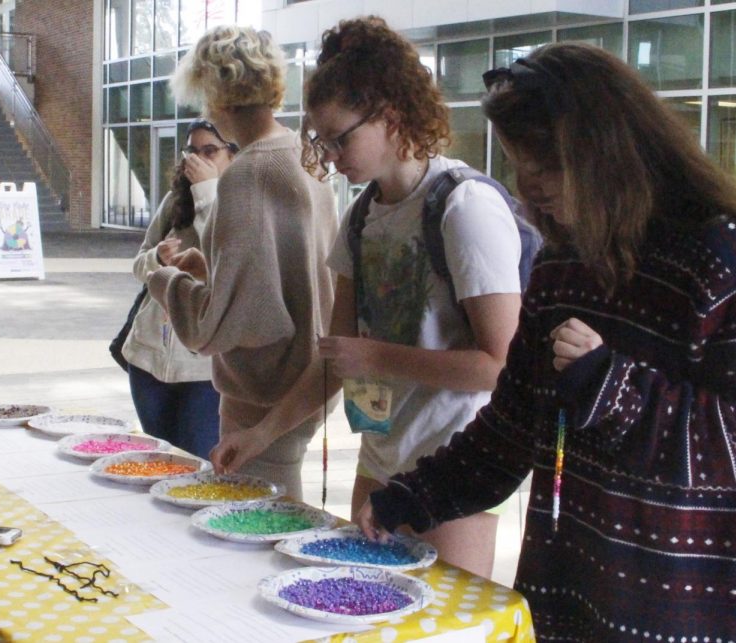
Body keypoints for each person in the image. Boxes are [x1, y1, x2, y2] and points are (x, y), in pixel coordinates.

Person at [357, 42, 736, 642]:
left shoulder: (724, 260)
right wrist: (414, 497)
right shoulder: (562, 265)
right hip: (580, 584)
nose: (531, 185)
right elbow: (514, 424)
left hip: (700, 601)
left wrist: (614, 390)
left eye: (549, 165)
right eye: (521, 164)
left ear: (612, 154)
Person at [210, 16, 523, 579]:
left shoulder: (463, 207)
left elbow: (499, 367)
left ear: (391, 115)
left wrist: (377, 358)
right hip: (380, 460)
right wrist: (259, 434)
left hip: (455, 467)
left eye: (340, 137)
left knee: (440, 626)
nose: (329, 156)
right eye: (319, 140)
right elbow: (335, 362)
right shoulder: (360, 217)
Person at [147, 25, 338, 500]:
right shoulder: (300, 154)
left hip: (264, 391)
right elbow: (286, 273)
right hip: (310, 379)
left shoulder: (247, 173)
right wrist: (209, 265)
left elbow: (221, 324)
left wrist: (165, 282)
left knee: (256, 528)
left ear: (213, 92)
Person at [122, 119, 237, 459]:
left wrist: (207, 192)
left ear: (233, 155)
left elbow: (225, 258)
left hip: (203, 367)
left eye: (210, 151)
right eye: (192, 151)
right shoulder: (176, 199)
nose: (197, 160)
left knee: (195, 465)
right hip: (148, 358)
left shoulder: (240, 202)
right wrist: (157, 257)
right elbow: (139, 263)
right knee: (158, 465)